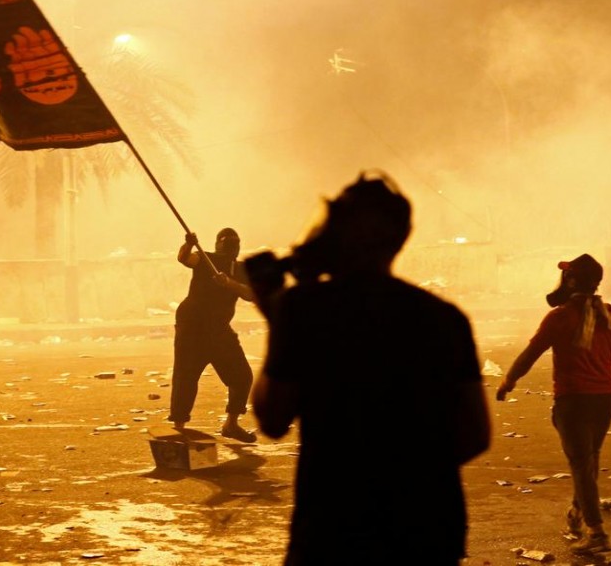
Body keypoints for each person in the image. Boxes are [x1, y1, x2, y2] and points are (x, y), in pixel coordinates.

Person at [247, 172, 491, 566]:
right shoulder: (445, 319)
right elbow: (476, 435)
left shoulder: (305, 308)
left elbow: (272, 419)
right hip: (430, 526)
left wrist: (276, 319)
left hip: (334, 528)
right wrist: (410, 472)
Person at [496, 253, 611, 555]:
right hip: (604, 401)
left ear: (571, 280)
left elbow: (530, 354)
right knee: (589, 462)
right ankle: (577, 511)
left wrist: (508, 381)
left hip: (573, 403)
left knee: (582, 465)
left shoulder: (560, 318)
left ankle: (596, 533)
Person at [167, 227, 258, 443]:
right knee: (185, 377)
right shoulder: (205, 258)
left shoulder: (241, 268)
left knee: (242, 376)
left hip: (219, 330)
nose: (231, 247)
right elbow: (184, 258)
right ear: (218, 243)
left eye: (235, 243)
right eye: (227, 242)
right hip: (192, 328)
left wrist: (229, 283)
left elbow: (250, 294)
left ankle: (231, 424)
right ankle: (179, 428)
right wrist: (189, 242)